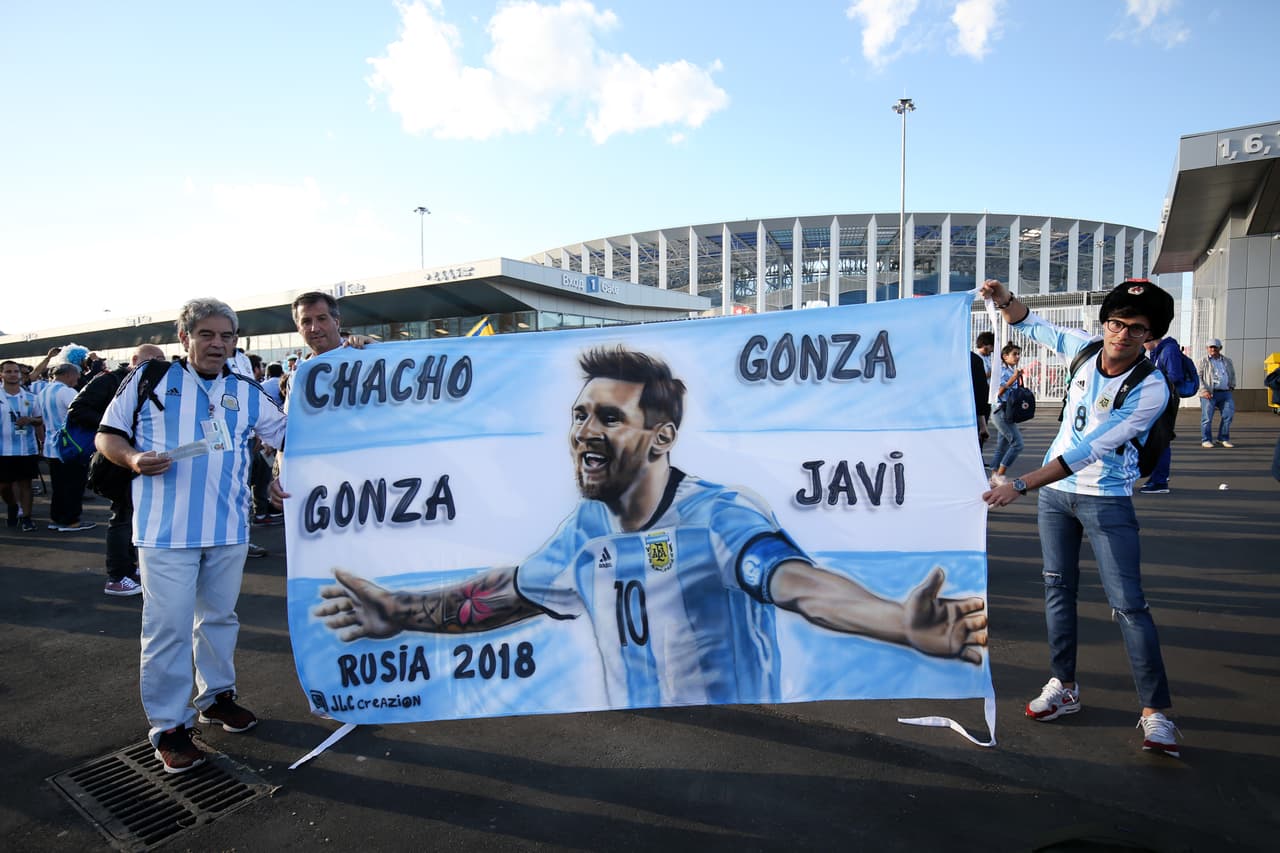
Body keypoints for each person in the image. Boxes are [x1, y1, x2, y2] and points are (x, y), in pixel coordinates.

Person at [312, 346, 988, 708]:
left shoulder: (720, 515)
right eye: (579, 415)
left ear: (660, 439)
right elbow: (501, 594)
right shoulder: (583, 529)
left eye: (608, 417)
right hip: (648, 746)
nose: (584, 431)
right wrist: (397, 610)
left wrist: (895, 622)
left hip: (741, 758)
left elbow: (799, 584)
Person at [981, 277, 1181, 758]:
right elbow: (1032, 326)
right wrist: (1003, 299)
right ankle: (1063, 686)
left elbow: (1090, 451)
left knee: (1129, 605)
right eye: (1116, 323)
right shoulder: (1085, 350)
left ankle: (1156, 712)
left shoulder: (1151, 388)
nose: (1121, 334)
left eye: (1136, 328)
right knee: (1057, 590)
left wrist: (1021, 484)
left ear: (1149, 335)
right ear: (1105, 322)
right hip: (1056, 500)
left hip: (1105, 499)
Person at [96, 298, 286, 774]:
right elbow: (108, 435)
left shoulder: (245, 390)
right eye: (207, 334)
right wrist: (135, 459)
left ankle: (217, 697)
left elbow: (292, 435)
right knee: (168, 630)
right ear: (185, 339)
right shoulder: (150, 379)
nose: (217, 343)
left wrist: (285, 474)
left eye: (226, 335)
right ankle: (170, 726)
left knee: (219, 619)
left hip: (227, 530)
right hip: (164, 533)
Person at [69, 344, 166, 595]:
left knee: (134, 515)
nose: (158, 363)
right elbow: (77, 410)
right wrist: (115, 425)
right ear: (134, 360)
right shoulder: (111, 381)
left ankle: (128, 567)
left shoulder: (154, 383)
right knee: (122, 515)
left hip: (143, 459)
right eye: (152, 359)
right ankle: (117, 575)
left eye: (161, 359)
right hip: (117, 459)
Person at [38, 362, 96, 532]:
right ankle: (71, 520)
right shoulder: (67, 391)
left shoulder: (43, 391)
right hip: (69, 447)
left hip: (51, 446)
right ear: (69, 374)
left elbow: (37, 416)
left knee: (58, 487)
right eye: (77, 375)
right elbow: (80, 412)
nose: (78, 379)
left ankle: (57, 518)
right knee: (73, 485)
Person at [1139, 334, 1185, 494]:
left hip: (1166, 400)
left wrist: (1155, 382)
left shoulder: (1169, 350)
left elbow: (1175, 376)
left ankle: (1160, 480)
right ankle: (1158, 477)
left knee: (1162, 440)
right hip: (1160, 398)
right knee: (1156, 440)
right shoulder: (1159, 352)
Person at [2, 360, 44, 531]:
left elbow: (41, 419)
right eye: (8, 371)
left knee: (25, 484)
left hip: (26, 448)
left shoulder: (30, 398)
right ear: (1, 375)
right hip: (3, 449)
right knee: (4, 486)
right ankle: (12, 505)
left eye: (15, 371)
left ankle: (26, 517)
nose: (13, 374)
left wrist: (31, 420)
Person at [291, 291, 374, 357]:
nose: (315, 329)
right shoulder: (302, 373)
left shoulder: (366, 352)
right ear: (299, 328)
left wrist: (376, 347)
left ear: (336, 322)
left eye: (322, 319)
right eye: (306, 322)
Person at [988, 343, 1025, 486]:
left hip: (1007, 412)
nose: (1017, 357)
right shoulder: (1002, 371)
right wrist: (1013, 379)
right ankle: (999, 474)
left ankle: (993, 477)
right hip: (1000, 411)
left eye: (1018, 354)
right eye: (1014, 354)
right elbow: (998, 392)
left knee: (1002, 446)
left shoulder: (1011, 370)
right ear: (1005, 356)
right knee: (1017, 444)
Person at [1198, 338, 1235, 448]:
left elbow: (1232, 373)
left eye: (1215, 347)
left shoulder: (1227, 360)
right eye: (1211, 347)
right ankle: (1206, 439)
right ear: (1207, 348)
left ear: (1220, 348)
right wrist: (1204, 390)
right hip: (1209, 393)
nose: (1213, 349)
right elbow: (1198, 377)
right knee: (1207, 418)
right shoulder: (1202, 361)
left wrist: (1232, 384)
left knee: (1228, 415)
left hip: (1225, 392)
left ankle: (1223, 438)